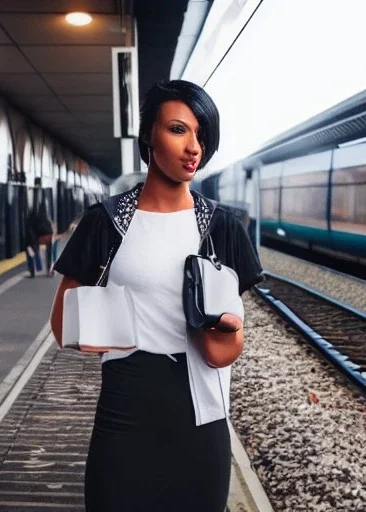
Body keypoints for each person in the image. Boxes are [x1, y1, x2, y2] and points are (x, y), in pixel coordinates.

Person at [50, 80, 263, 512]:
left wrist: (227, 338)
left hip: (201, 417)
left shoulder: (222, 228)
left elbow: (231, 344)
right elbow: (62, 325)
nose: (194, 148)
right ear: (149, 134)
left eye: (202, 136)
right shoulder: (106, 222)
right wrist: (88, 334)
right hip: (125, 410)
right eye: (179, 130)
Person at [25, 197, 54, 277]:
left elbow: (30, 227)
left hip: (38, 237)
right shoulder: (47, 214)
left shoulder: (32, 215)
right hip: (48, 235)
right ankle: (49, 270)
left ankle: (32, 272)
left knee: (30, 250)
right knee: (49, 253)